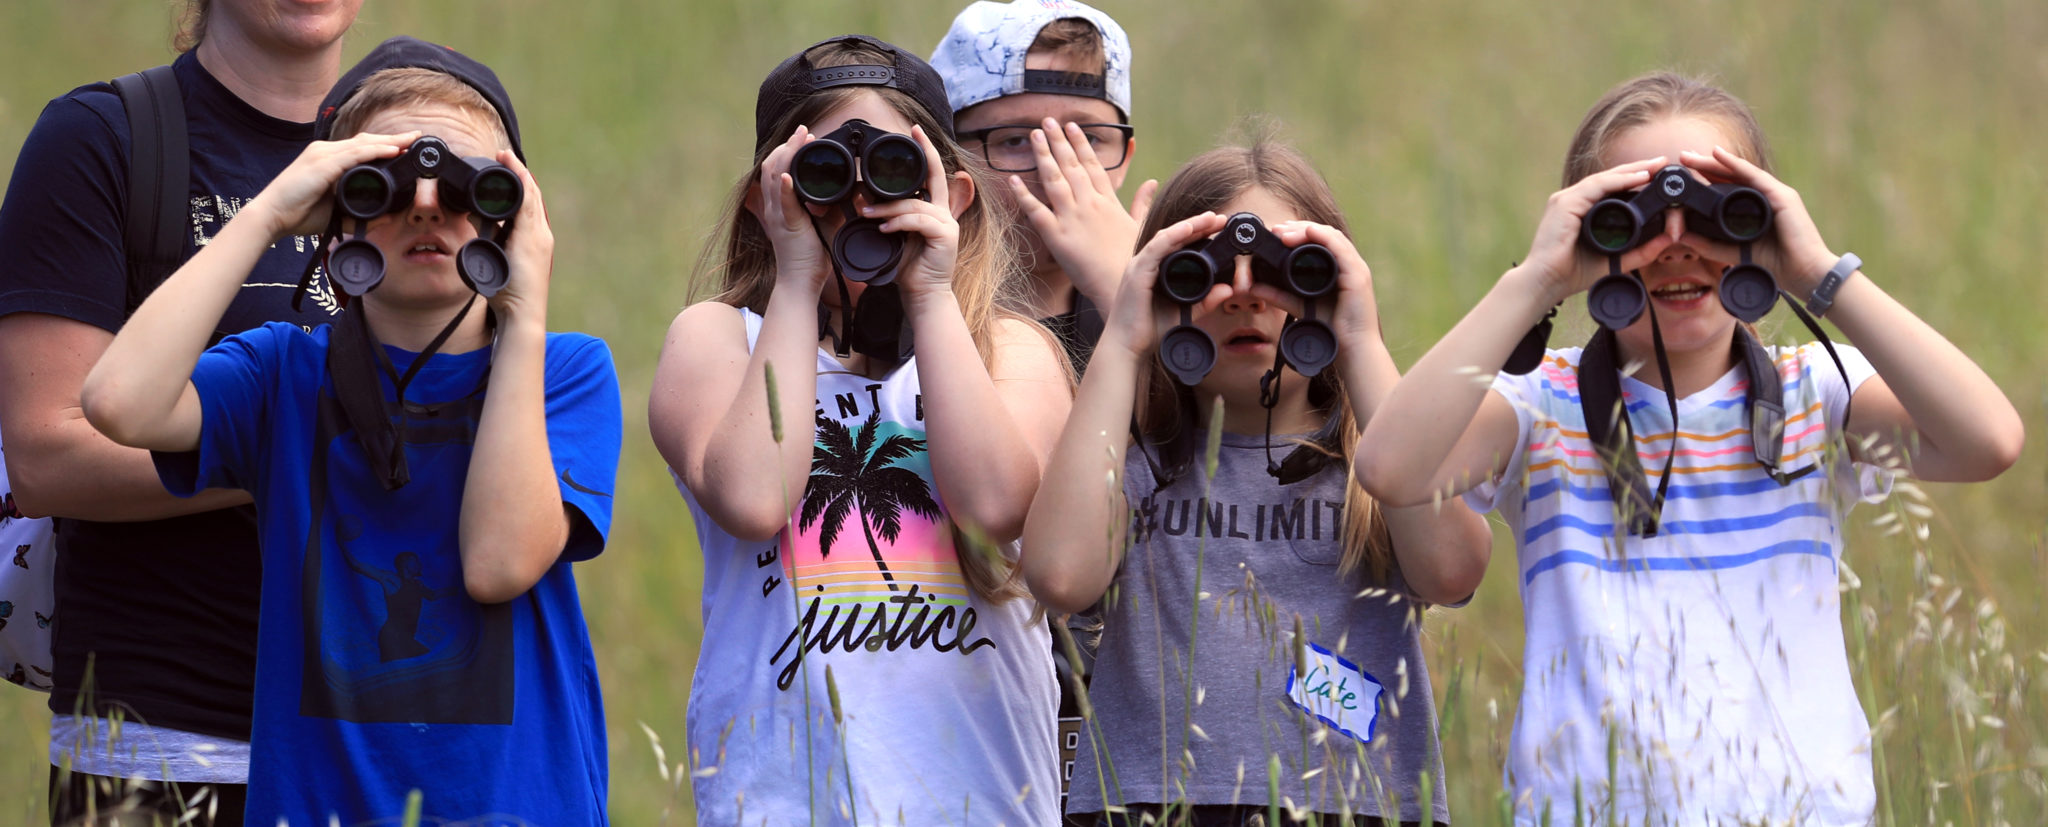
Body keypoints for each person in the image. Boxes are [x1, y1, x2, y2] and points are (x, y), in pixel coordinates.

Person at [1355, 72, 2024, 824]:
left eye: (1717, 212)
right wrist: (1537, 280)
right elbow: (1391, 468)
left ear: (1765, 222)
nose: (1677, 248)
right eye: (1634, 219)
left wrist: (1816, 273)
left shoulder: (1817, 393)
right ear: (1585, 233)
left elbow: (1988, 440)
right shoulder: (1540, 403)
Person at [77, 37, 620, 825]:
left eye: (468, 188)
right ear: (339, 222)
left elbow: (498, 563)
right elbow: (118, 402)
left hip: (520, 807)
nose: (427, 205)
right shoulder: (283, 377)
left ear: (510, 212)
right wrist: (270, 211)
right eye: (385, 186)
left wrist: (525, 307)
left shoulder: (565, 372)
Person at [648, 34, 1073, 826]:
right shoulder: (716, 340)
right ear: (763, 196)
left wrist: (934, 294)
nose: (859, 200)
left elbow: (990, 507)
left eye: (891, 169)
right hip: (783, 803)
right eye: (822, 174)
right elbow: (753, 496)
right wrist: (800, 278)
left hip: (979, 799)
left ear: (955, 193)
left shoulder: (1008, 350)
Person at [1023, 138, 1492, 826]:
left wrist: (1361, 339)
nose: (1246, 297)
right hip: (1154, 802)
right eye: (1204, 273)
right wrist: (1124, 335)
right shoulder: (1147, 460)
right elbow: (1059, 575)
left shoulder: (1376, 469)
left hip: (1351, 801)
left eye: (1287, 272)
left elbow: (1452, 570)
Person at [0, 1, 362, 822]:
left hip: (375, 746)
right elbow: (47, 456)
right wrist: (317, 458)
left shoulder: (421, 153)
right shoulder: (101, 139)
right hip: (159, 745)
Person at [931, 0, 1155, 372]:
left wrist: (1127, 300)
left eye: (1089, 140)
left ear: (1124, 159)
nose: (1056, 171)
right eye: (1015, 140)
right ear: (947, 160)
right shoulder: (906, 321)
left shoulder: (1189, 309)